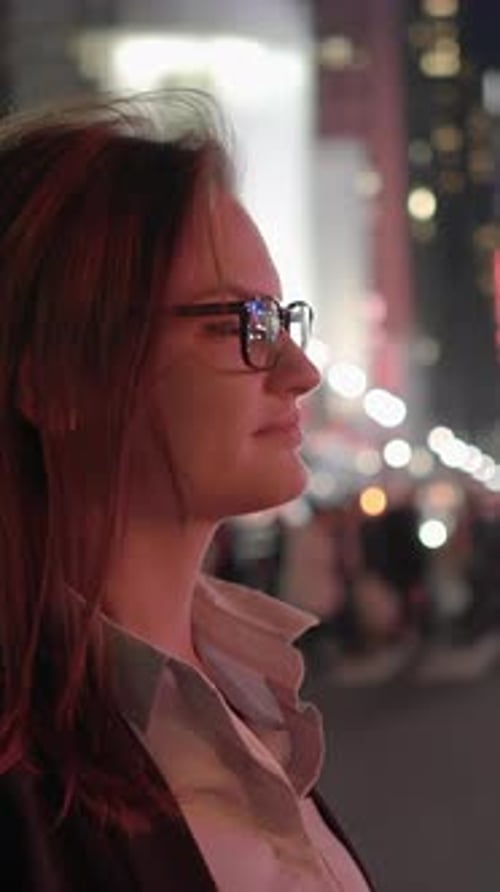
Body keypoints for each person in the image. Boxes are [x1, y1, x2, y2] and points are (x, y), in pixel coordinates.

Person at [0, 91, 375, 891]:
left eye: (279, 317)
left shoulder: (244, 689)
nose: (299, 370)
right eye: (237, 321)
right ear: (59, 376)